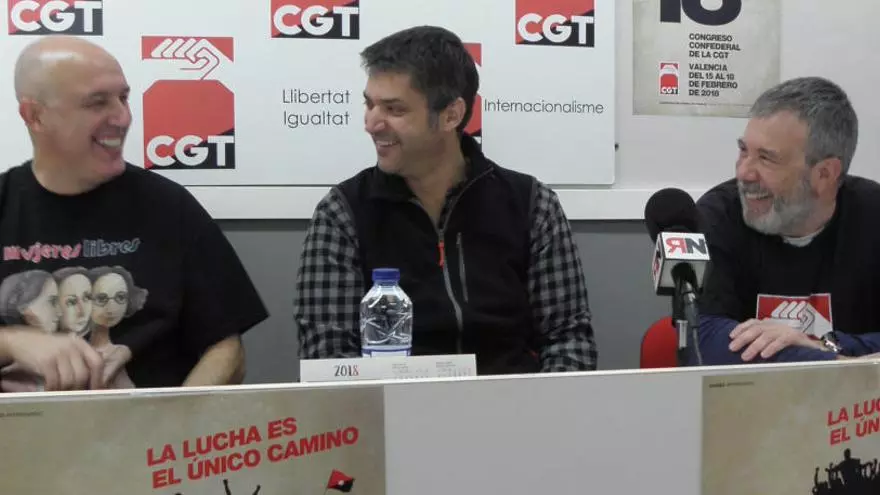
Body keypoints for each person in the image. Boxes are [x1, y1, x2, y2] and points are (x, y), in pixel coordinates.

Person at [293, 25, 597, 374]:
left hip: (514, 401)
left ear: (451, 115)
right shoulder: (341, 213)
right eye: (370, 104)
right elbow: (328, 358)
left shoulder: (532, 205)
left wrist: (536, 405)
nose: (372, 123)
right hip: (393, 405)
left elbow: (569, 340)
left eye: (394, 109)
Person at [0, 36, 268, 391]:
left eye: (123, 98)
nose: (123, 117)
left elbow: (226, 349)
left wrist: (174, 420)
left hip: (151, 424)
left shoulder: (169, 207)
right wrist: (12, 342)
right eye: (97, 102)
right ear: (35, 116)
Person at [691, 76, 880, 365]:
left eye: (766, 158)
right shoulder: (717, 216)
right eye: (744, 151)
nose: (744, 173)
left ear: (824, 174)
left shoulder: (872, 216)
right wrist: (836, 362)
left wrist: (824, 345)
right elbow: (704, 341)